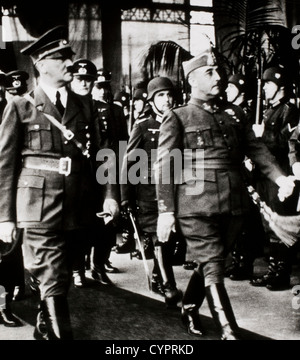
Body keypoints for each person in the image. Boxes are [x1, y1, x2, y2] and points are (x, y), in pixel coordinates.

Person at [155, 47, 296, 340]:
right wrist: (166, 210)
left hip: (234, 202)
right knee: (212, 260)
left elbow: (256, 150)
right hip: (195, 203)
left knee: (214, 259)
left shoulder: (235, 114)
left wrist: (280, 177)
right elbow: (166, 165)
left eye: (217, 71)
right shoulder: (178, 117)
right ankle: (228, 331)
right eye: (209, 73)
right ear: (193, 80)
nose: (218, 77)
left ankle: (191, 306)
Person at [0, 25, 119, 340]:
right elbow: (5, 164)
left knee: (61, 274)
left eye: (69, 56)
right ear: (41, 65)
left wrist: (109, 194)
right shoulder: (21, 106)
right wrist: (4, 217)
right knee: (53, 275)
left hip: (78, 202)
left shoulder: (87, 106)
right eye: (61, 57)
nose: (70, 63)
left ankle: (45, 318)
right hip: (37, 205)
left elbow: (103, 155)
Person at [120, 76, 183, 306]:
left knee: (170, 238)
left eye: (169, 95)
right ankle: (169, 286)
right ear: (152, 100)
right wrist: (126, 197)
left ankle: (157, 275)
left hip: (176, 189)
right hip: (149, 192)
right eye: (160, 96)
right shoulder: (143, 126)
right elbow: (128, 164)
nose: (166, 100)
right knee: (160, 238)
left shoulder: (180, 121)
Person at [250, 66, 299, 290]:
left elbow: (287, 142)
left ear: (280, 87)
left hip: (279, 174)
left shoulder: (289, 111)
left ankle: (281, 272)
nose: (266, 88)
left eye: (269, 84)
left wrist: (264, 135)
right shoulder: (268, 111)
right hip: (264, 175)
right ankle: (274, 268)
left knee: (279, 221)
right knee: (268, 221)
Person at [224, 74, 266, 281]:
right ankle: (238, 260)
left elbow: (253, 144)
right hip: (239, 170)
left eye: (231, 88)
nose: (227, 92)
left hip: (251, 170)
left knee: (247, 220)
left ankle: (246, 262)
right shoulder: (229, 112)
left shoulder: (246, 113)